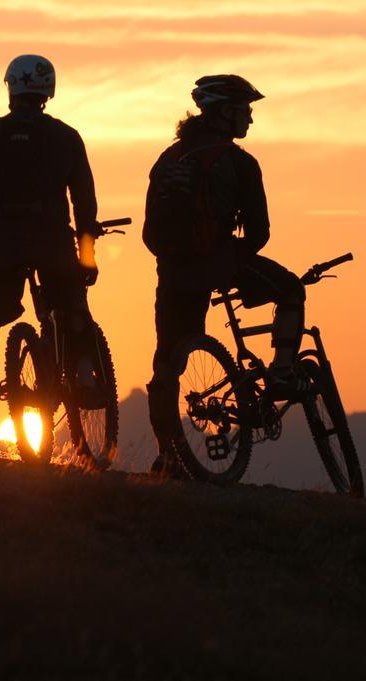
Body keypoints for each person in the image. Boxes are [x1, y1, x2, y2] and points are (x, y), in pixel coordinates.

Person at [143, 74, 306, 475]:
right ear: (223, 114)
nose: (249, 119)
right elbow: (259, 233)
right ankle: (283, 372)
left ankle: (168, 455)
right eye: (245, 111)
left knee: (166, 364)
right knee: (290, 289)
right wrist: (228, 259)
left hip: (175, 274)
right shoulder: (240, 163)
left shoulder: (168, 159)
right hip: (221, 264)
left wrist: (179, 259)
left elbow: (150, 233)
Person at [0, 54, 100, 450]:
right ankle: (85, 380)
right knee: (73, 310)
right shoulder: (66, 137)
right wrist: (87, 255)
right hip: (52, 241)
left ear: (10, 88)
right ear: (47, 90)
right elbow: (84, 203)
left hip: (2, 243)